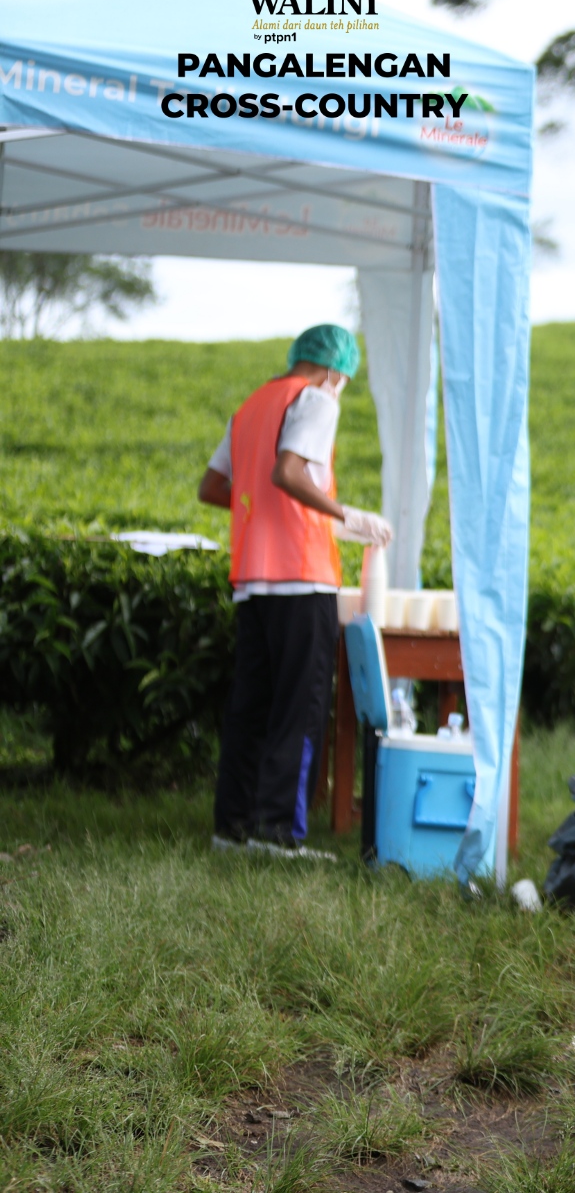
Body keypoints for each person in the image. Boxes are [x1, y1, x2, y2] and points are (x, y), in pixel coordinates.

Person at [197, 324, 392, 857]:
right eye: (344, 378)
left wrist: (275, 509)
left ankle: (231, 828)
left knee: (252, 705)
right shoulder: (317, 398)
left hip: (252, 579)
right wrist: (342, 514)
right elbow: (288, 471)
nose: (340, 386)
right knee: (300, 708)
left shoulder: (252, 406)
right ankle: (279, 833)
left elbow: (213, 487)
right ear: (334, 369)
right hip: (302, 576)